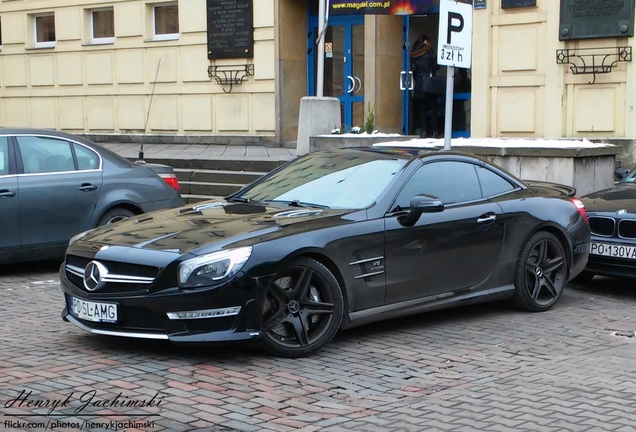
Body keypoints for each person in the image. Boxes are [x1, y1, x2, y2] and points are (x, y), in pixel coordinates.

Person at [410, 34, 440, 138]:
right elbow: (436, 66)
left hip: (420, 85)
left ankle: (423, 131)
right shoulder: (430, 51)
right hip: (430, 84)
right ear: (426, 41)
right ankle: (435, 132)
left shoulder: (413, 53)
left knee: (422, 110)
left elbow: (413, 70)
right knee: (433, 109)